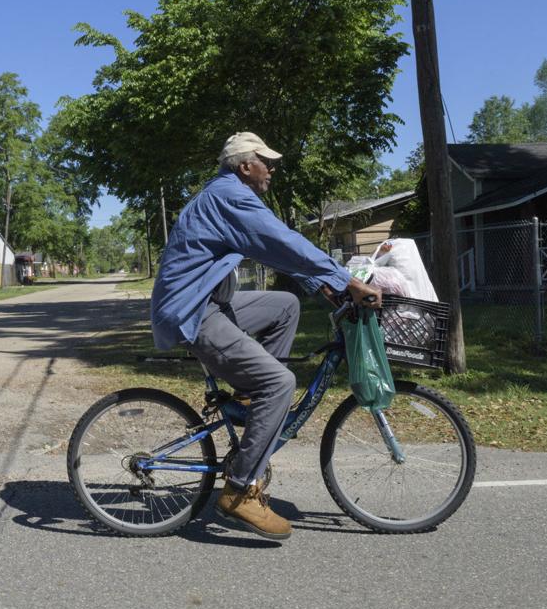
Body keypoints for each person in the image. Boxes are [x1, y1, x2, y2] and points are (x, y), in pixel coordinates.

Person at [150, 131, 381, 540]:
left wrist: (324, 285)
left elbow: (270, 250)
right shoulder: (230, 196)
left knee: (285, 306)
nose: (271, 169)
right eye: (265, 162)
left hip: (210, 300)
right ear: (245, 166)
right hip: (194, 311)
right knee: (280, 383)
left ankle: (248, 399)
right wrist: (345, 279)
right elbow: (281, 240)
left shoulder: (227, 195)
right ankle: (239, 491)